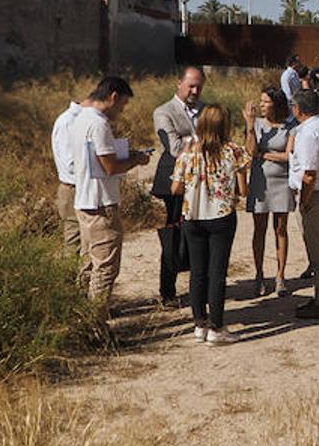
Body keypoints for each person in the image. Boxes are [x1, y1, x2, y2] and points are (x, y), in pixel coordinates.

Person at [68, 76, 152, 317]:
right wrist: (136, 160)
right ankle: (96, 321)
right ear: (113, 97)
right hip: (100, 205)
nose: (122, 111)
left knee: (87, 264)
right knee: (105, 267)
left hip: (84, 201)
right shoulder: (99, 124)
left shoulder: (80, 119)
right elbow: (110, 167)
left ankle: (81, 317)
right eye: (122, 105)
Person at [172, 105, 249, 345]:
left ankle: (199, 324)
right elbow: (243, 190)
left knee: (197, 271)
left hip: (193, 216)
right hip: (221, 215)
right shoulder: (234, 151)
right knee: (217, 272)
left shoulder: (188, 152)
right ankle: (216, 326)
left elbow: (175, 188)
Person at [151, 66, 205, 304]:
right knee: (174, 232)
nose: (195, 91)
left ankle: (199, 286)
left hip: (201, 181)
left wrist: (189, 141)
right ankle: (168, 291)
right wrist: (201, 141)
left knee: (200, 232)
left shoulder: (206, 109)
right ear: (179, 84)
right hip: (174, 181)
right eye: (191, 86)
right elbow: (173, 148)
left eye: (199, 87)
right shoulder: (164, 112)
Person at [289, 89, 319, 319]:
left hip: (314, 195)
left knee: (318, 252)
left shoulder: (309, 133)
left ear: (297, 108)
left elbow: (309, 174)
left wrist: (304, 202)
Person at [243, 87, 296, 298]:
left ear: (276, 104)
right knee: (259, 229)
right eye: (261, 101)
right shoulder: (256, 124)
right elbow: (251, 151)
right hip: (260, 182)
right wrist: (250, 126)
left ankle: (280, 275)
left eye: (266, 102)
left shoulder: (290, 126)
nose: (261, 105)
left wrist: (265, 154)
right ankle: (259, 274)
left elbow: (288, 156)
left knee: (281, 228)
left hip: (282, 181)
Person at [51, 94, 91, 253]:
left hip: (83, 187)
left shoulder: (84, 120)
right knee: (74, 243)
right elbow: (71, 163)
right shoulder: (67, 122)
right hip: (73, 189)